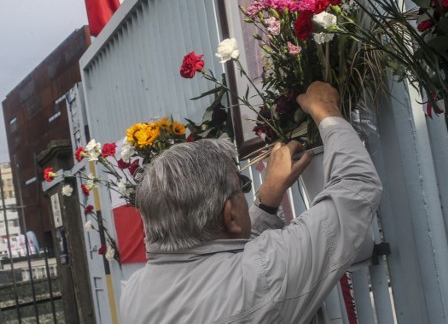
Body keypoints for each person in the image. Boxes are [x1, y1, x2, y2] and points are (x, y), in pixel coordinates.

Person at [120, 81, 383, 323]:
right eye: (241, 188)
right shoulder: (262, 278)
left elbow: (219, 265)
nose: (245, 194)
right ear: (229, 215)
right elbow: (356, 189)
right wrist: (326, 110)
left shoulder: (135, 294)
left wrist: (267, 199)